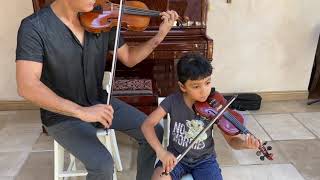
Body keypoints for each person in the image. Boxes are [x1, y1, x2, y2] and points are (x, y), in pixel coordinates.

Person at [15, 0, 179, 179]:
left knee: (154, 131)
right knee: (102, 165)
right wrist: (80, 111)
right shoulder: (34, 27)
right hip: (61, 116)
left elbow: (130, 58)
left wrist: (159, 37)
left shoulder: (102, 19)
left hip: (99, 102)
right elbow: (27, 86)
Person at [141, 53, 261, 180]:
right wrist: (161, 152)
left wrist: (244, 144)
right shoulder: (172, 101)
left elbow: (232, 141)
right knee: (159, 178)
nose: (204, 91)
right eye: (196, 86)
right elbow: (147, 125)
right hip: (176, 158)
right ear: (182, 86)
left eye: (207, 83)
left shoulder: (215, 105)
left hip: (205, 161)